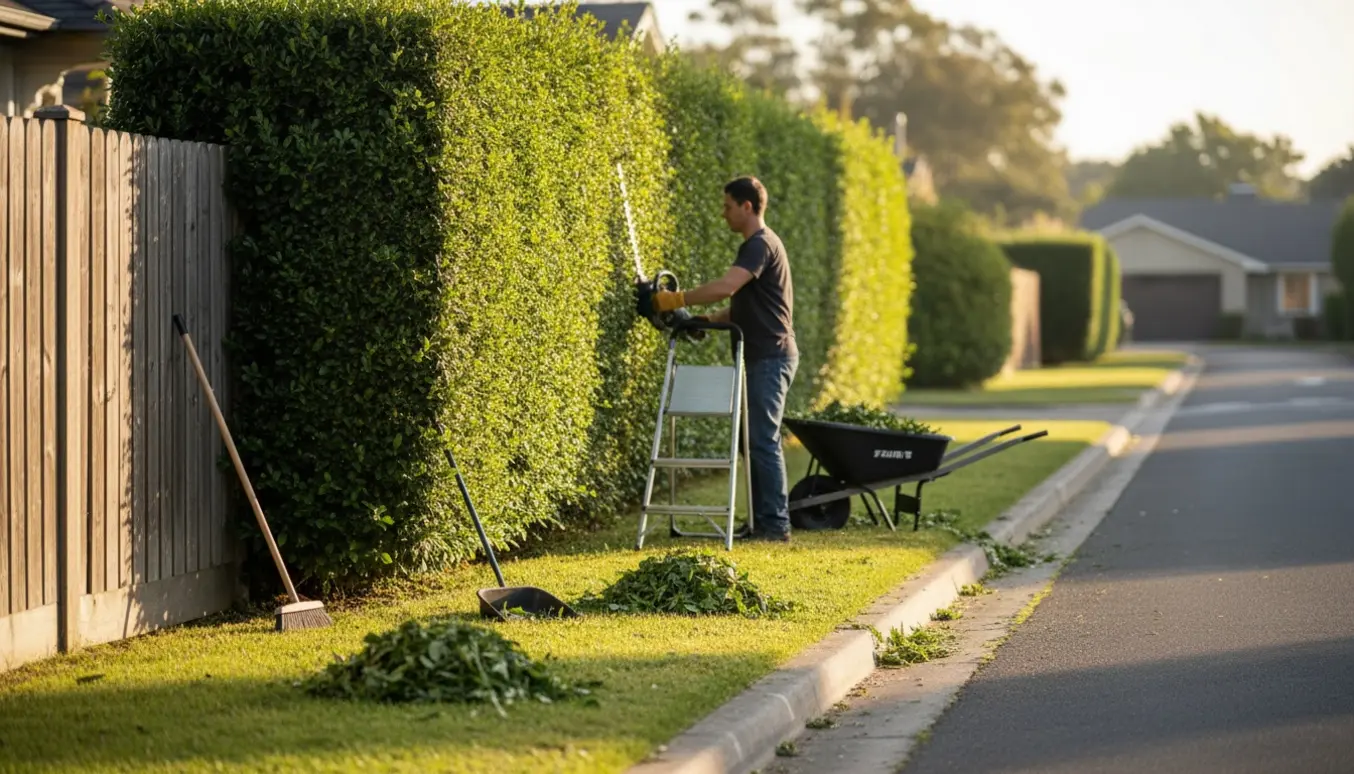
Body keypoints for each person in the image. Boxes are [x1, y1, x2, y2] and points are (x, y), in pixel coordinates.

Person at [645, 176, 798, 542]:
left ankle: (775, 526)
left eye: (728, 206)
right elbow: (745, 304)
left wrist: (676, 300)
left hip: (769, 357)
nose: (723, 213)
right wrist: (708, 321)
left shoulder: (759, 245)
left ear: (747, 206)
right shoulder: (760, 246)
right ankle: (762, 521)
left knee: (762, 440)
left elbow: (726, 287)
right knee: (753, 441)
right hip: (760, 356)